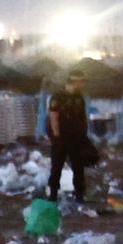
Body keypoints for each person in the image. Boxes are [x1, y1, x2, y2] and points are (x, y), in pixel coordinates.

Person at [47, 69, 94, 203]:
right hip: (61, 138)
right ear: (75, 82)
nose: (83, 85)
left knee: (78, 168)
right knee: (57, 167)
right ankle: (53, 195)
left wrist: (84, 133)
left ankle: (79, 194)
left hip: (77, 137)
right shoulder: (58, 97)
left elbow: (82, 116)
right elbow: (54, 118)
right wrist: (57, 138)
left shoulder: (79, 97)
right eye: (81, 82)